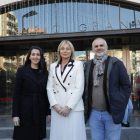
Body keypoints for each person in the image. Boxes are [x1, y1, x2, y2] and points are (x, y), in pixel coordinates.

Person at [83, 38, 131, 140]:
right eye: (96, 46)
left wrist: (120, 102)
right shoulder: (88, 65)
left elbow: (126, 86)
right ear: (92, 49)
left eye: (101, 45)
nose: (99, 48)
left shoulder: (116, 63)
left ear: (106, 47)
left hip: (111, 112)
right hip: (93, 113)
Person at [47, 40, 87, 140]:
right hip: (57, 109)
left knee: (74, 135)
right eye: (63, 48)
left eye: (68, 49)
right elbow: (49, 87)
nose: (65, 51)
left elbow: (79, 87)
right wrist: (55, 105)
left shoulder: (78, 64)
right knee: (59, 135)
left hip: (74, 108)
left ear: (71, 51)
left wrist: (68, 107)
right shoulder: (53, 66)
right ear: (59, 51)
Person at [12, 46, 51, 140]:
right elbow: (16, 94)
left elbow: (46, 94)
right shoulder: (21, 71)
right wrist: (15, 115)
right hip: (25, 109)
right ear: (29, 56)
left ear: (41, 57)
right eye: (33, 54)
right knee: (24, 136)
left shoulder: (45, 72)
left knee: (38, 136)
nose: (35, 57)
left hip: (40, 109)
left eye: (38, 55)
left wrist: (48, 112)